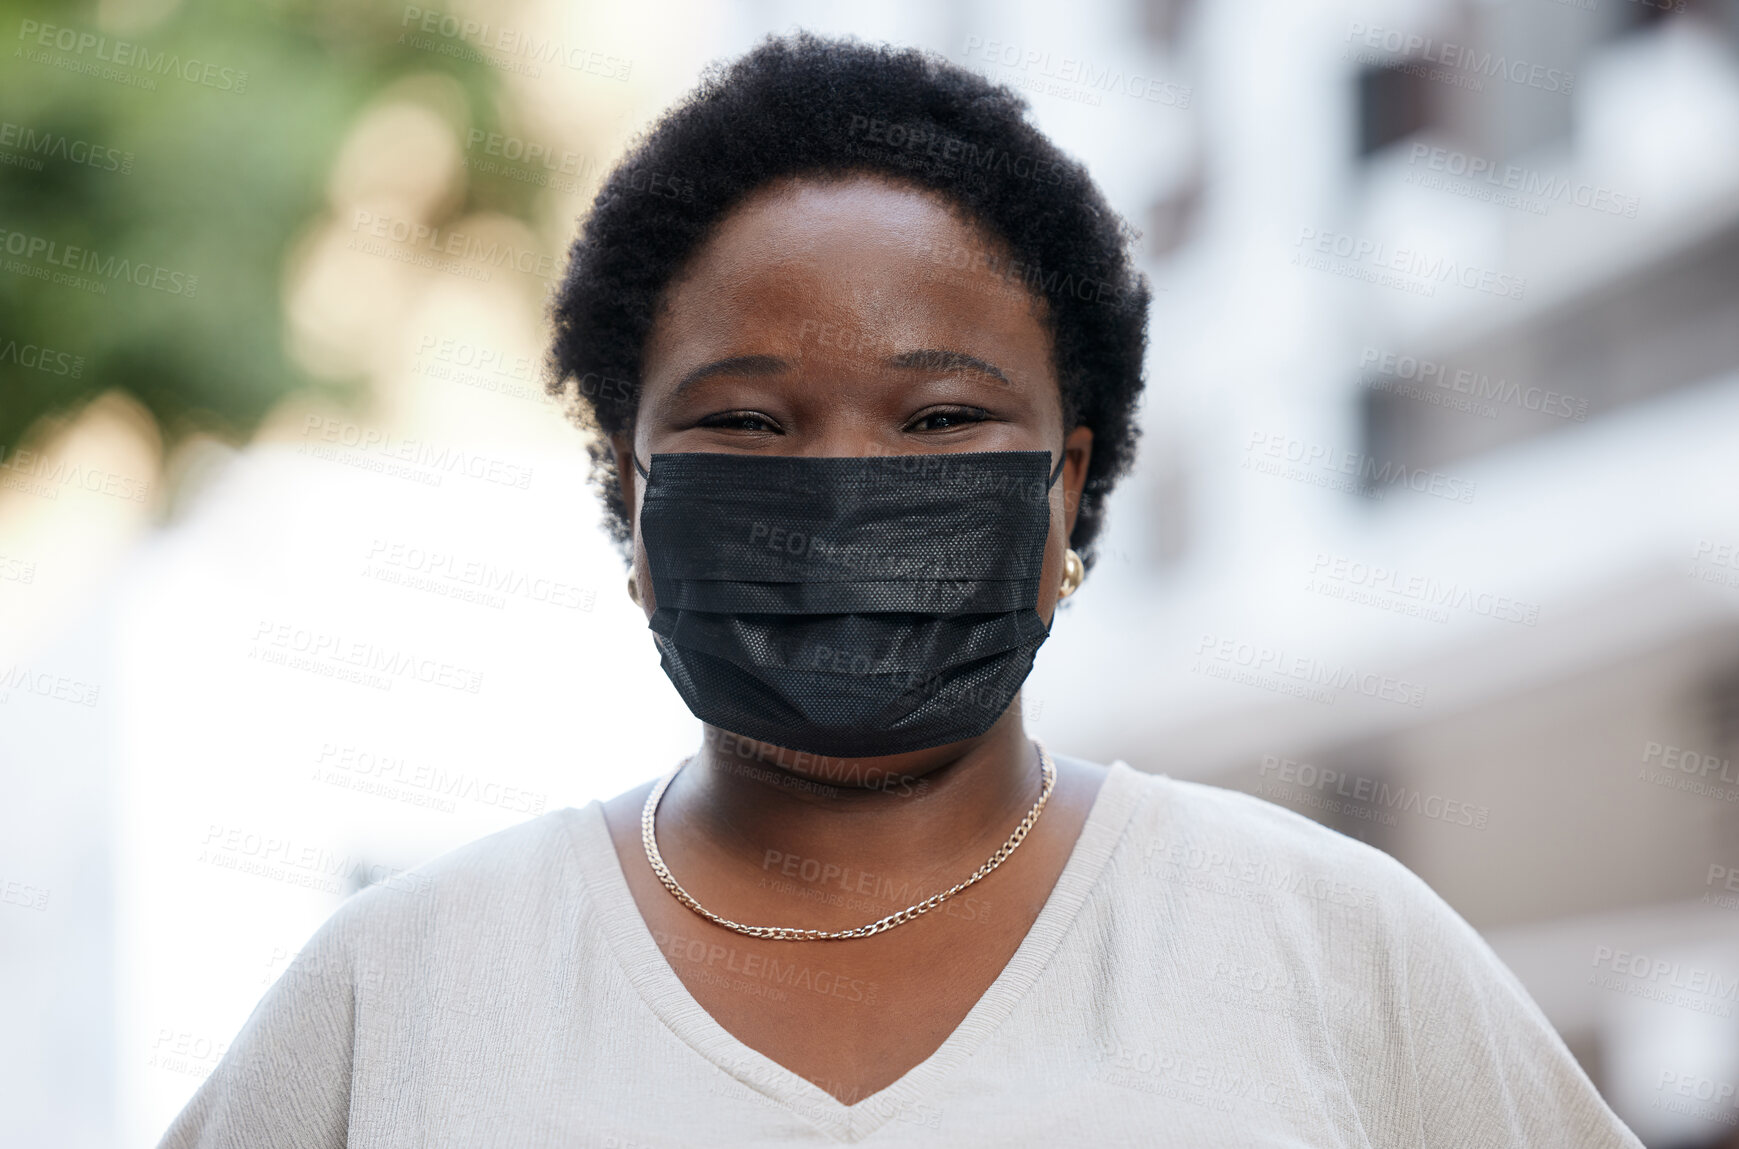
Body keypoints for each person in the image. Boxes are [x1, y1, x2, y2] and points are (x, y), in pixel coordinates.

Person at [160, 32, 1645, 1147]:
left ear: (1067, 487)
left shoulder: (1326, 945)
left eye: (939, 421)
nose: (843, 495)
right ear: (632, 495)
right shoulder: (405, 989)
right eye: (746, 422)